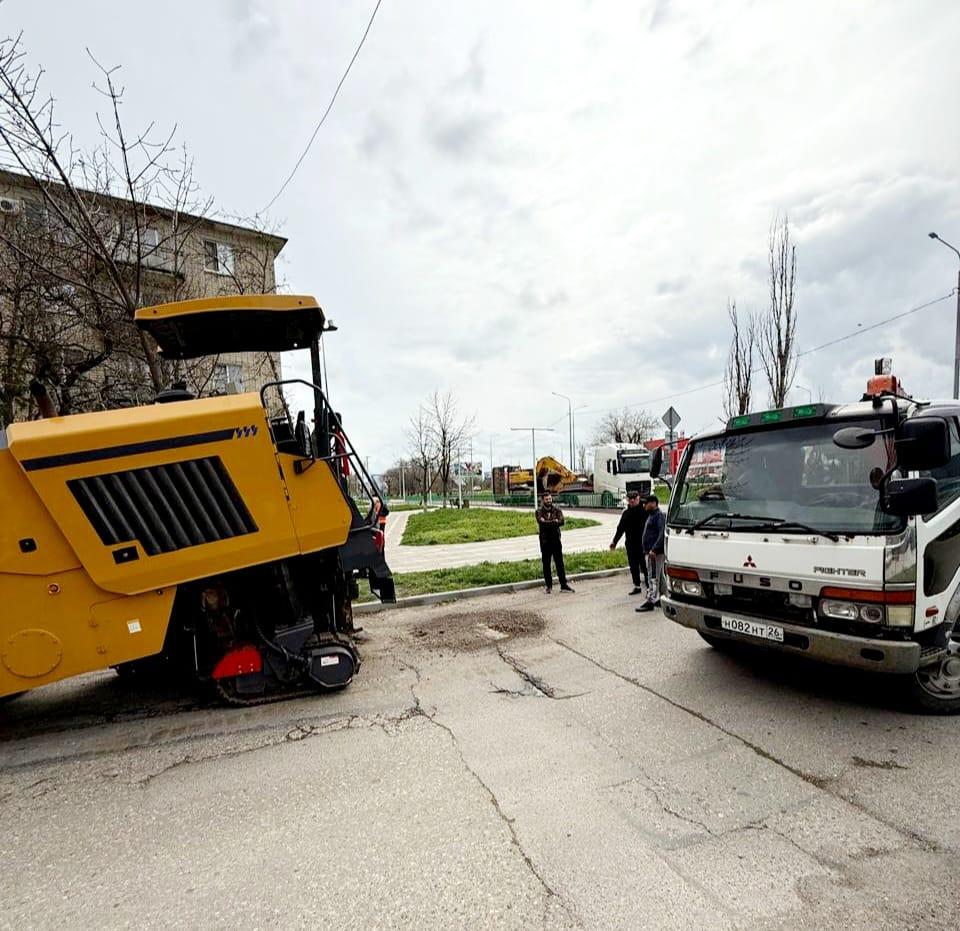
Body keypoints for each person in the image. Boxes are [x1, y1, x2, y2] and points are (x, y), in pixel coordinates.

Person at [609, 490, 649, 595]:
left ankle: (649, 586)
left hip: (643, 542)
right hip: (631, 543)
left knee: (644, 564)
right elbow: (620, 528)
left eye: (634, 499)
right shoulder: (626, 513)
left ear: (638, 498)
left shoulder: (644, 511)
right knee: (633, 565)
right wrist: (614, 542)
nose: (632, 501)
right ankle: (637, 586)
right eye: (630, 500)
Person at [536, 492, 575, 594]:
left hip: (556, 540)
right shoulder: (539, 511)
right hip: (545, 541)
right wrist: (554, 521)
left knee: (560, 563)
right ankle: (549, 586)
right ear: (543, 500)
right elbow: (541, 523)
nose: (549, 501)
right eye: (546, 499)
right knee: (546, 564)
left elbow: (562, 521)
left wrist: (549, 522)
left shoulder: (557, 510)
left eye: (550, 499)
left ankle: (564, 585)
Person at [636, 494, 666, 613]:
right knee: (659, 576)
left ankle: (651, 600)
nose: (644, 505)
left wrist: (654, 549)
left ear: (653, 503)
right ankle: (664, 597)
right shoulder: (652, 515)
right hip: (652, 551)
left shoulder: (658, 515)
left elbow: (661, 533)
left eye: (646, 503)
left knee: (652, 576)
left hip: (654, 553)